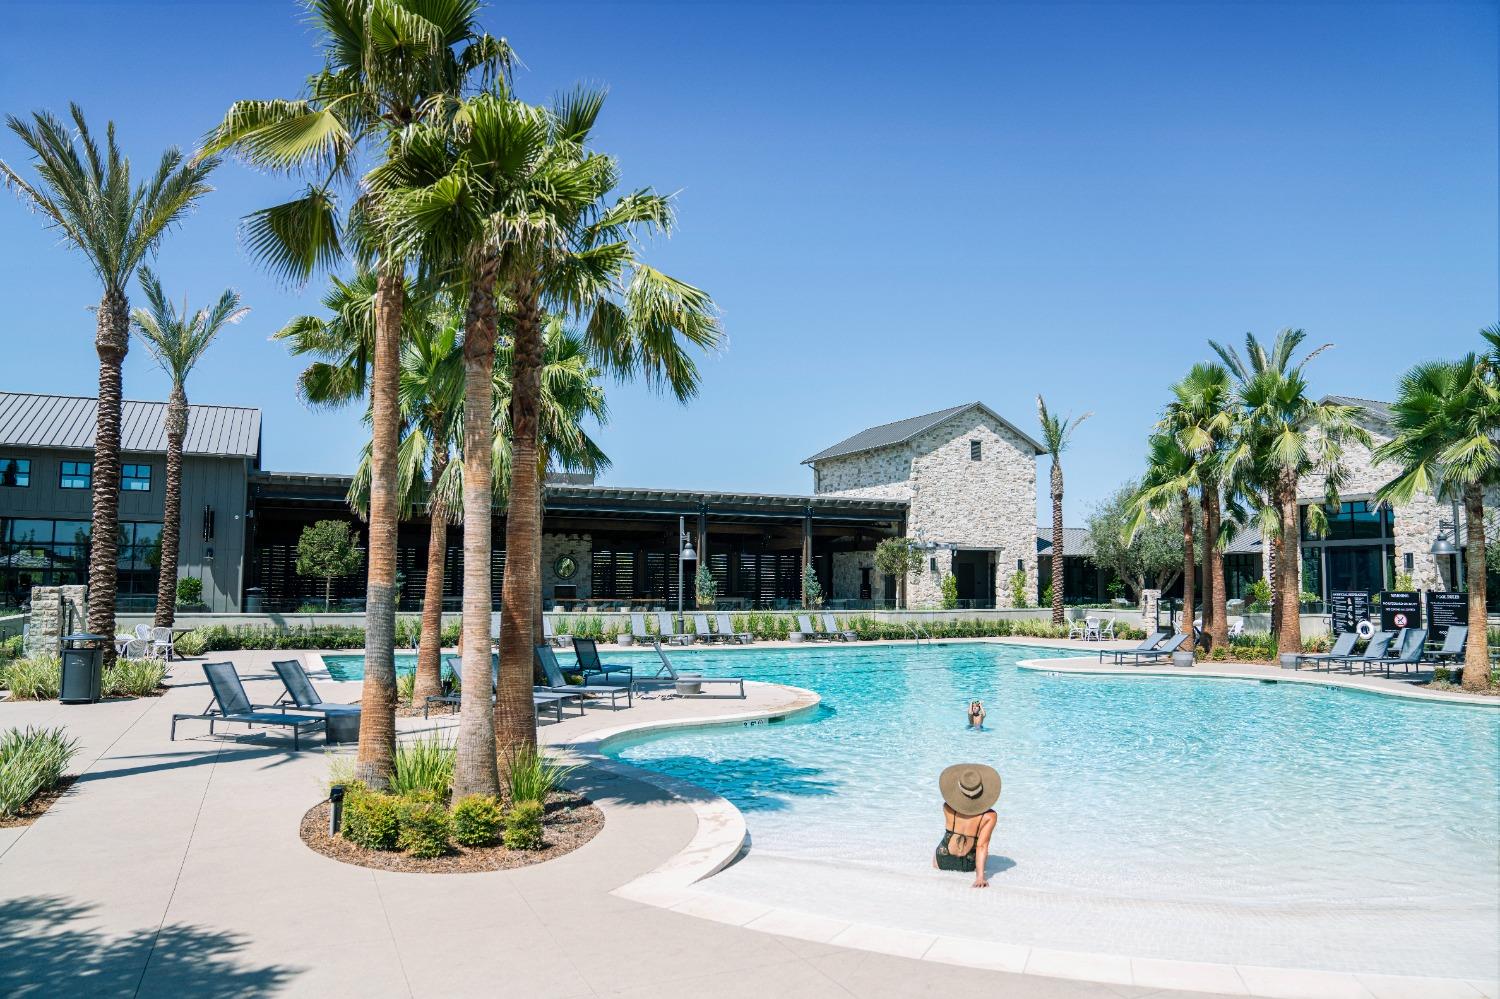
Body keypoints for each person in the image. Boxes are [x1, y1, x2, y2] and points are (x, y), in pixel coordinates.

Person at [933, 763, 1000, 888]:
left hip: (942, 859)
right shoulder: (989, 816)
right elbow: (982, 846)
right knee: (985, 851)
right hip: (968, 864)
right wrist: (980, 878)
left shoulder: (947, 807)